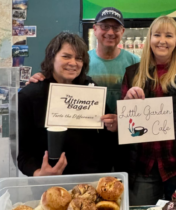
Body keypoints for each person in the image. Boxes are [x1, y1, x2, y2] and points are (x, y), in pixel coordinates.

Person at [26, 7, 139, 173]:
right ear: (95, 29)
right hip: (89, 137)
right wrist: (41, 78)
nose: (110, 32)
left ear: (122, 31)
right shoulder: (82, 61)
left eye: (115, 28)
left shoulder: (135, 61)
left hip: (126, 133)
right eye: (104, 26)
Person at [121, 16, 176, 205]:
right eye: (157, 34)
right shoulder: (132, 73)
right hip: (144, 166)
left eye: (169, 35)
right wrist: (127, 104)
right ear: (149, 38)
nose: (162, 40)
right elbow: (124, 126)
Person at [18, 32, 118, 176]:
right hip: (48, 184)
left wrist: (113, 127)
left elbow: (105, 138)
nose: (73, 63)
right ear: (52, 57)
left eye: (79, 58)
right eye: (66, 56)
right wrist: (38, 173)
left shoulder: (92, 89)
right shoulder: (29, 95)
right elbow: (22, 151)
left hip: (90, 181)